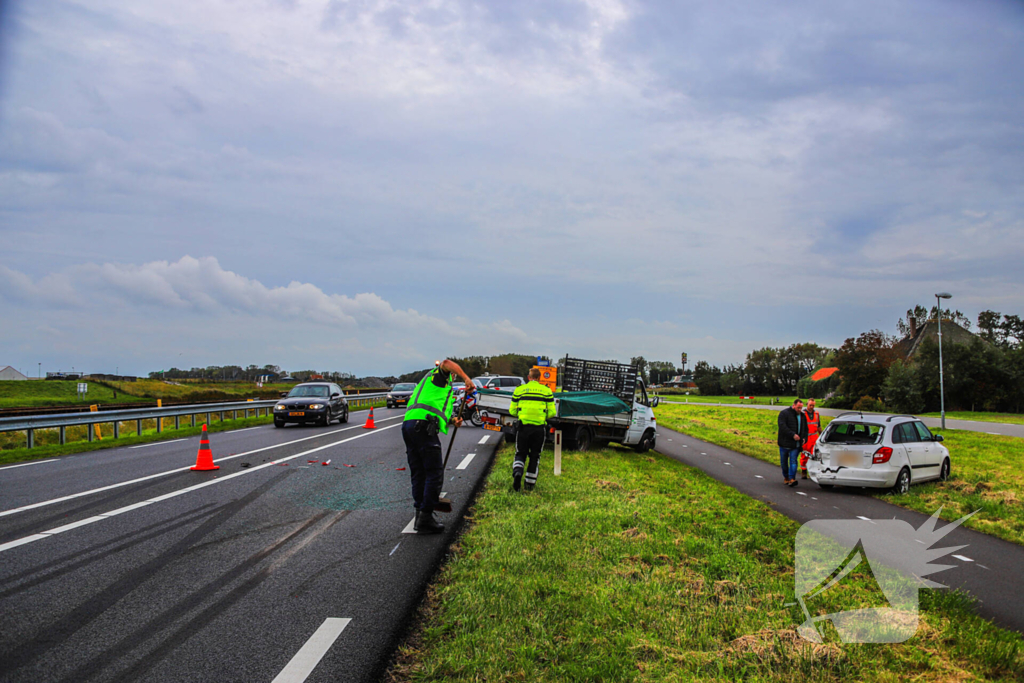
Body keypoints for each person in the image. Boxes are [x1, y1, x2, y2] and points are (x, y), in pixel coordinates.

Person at [403, 359, 474, 534]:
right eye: (454, 374)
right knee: (434, 473)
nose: (453, 376)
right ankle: (426, 517)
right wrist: (466, 378)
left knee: (419, 472)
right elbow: (446, 362)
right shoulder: (439, 375)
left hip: (409, 425)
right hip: (423, 426)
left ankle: (420, 513)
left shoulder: (431, 384)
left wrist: (452, 420)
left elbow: (435, 407)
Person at [509, 367, 557, 492]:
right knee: (535, 456)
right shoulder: (546, 391)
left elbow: (512, 411)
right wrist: (541, 416)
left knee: (520, 453)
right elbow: (552, 412)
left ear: (528, 377)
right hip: (539, 429)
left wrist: (522, 415)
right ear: (539, 378)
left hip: (523, 427)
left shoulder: (519, 390)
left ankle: (518, 472)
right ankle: (529, 485)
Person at [777, 398, 808, 487]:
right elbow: (782, 426)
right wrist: (792, 435)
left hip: (795, 445)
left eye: (801, 408)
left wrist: (804, 438)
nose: (800, 410)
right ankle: (786, 477)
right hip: (784, 443)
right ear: (793, 405)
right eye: (798, 407)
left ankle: (792, 478)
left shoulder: (802, 416)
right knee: (784, 462)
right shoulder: (784, 414)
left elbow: (805, 429)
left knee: (793, 461)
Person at [799, 398, 821, 479]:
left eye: (813, 405)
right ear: (807, 404)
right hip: (806, 437)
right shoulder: (802, 414)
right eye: (810, 405)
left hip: (814, 437)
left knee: (815, 455)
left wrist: (821, 436)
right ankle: (804, 471)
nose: (811, 407)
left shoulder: (816, 414)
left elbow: (819, 426)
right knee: (805, 454)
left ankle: (814, 472)